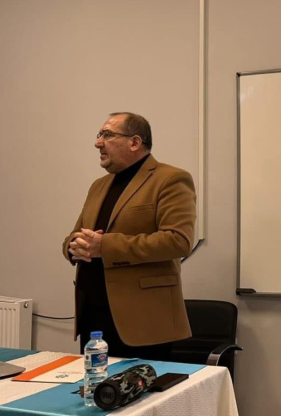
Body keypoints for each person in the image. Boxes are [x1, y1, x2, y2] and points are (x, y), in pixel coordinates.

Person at [63, 112, 196, 361]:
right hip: (93, 317)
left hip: (143, 321)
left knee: (140, 388)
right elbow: (77, 234)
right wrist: (73, 246)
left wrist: (105, 246)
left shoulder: (170, 179)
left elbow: (178, 240)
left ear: (134, 142)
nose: (98, 143)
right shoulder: (98, 185)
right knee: (95, 384)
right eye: (99, 135)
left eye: (107, 135)